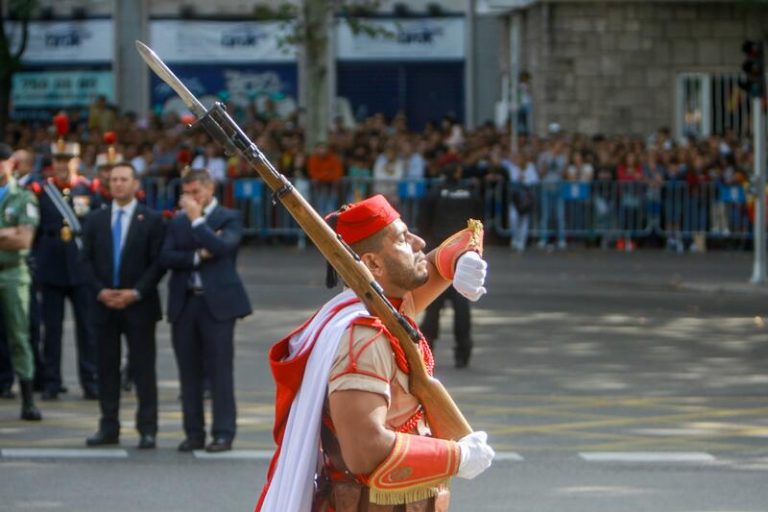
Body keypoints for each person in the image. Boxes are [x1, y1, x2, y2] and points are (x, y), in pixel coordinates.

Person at [256, 195, 494, 511]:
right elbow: (363, 450)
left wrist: (464, 258)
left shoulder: (390, 307)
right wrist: (457, 456)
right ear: (373, 264)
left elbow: (442, 257)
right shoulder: (364, 338)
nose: (419, 242)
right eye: (402, 238)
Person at [159, 169, 252, 453]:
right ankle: (193, 432)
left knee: (220, 370)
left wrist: (198, 222)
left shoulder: (228, 217)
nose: (190, 199)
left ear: (209, 189)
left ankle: (223, 432)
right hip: (186, 302)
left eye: (195, 192)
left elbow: (222, 247)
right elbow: (166, 256)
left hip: (218, 306)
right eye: (186, 194)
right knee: (188, 372)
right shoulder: (177, 221)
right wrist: (198, 255)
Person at [82, 162, 165, 449]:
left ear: (135, 185)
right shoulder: (95, 220)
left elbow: (158, 263)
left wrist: (136, 292)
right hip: (104, 305)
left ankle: (148, 428)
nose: (117, 184)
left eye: (123, 179)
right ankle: (108, 426)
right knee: (106, 368)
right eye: (113, 179)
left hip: (139, 305)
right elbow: (85, 261)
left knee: (143, 369)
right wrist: (100, 291)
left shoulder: (152, 220)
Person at [34, 121, 99, 400]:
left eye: (68, 160)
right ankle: (52, 381)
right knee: (53, 330)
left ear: (76, 162)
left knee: (87, 328)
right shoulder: (41, 191)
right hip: (51, 267)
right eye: (58, 161)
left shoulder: (88, 190)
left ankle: (91, 380)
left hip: (81, 268)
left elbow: (94, 229)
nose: (63, 166)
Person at [418, 161, 484, 368]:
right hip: (462, 258)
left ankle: (425, 352)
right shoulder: (471, 193)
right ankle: (463, 352)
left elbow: (423, 222)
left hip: (439, 257)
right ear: (458, 171)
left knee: (431, 308)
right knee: (462, 309)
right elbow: (480, 223)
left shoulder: (435, 193)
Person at [0, 143, 42, 420]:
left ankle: (28, 399)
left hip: (13, 272)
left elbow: (25, 238)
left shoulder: (22, 197)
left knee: (19, 336)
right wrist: (6, 233)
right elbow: (13, 236)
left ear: (10, 164)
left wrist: (13, 234)